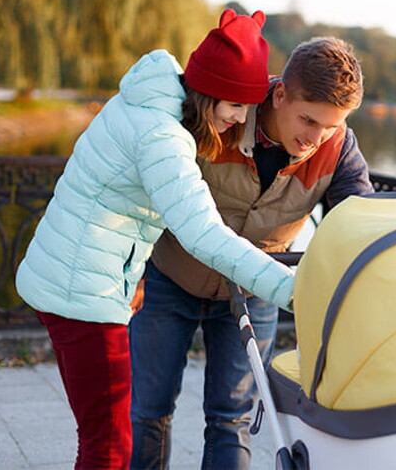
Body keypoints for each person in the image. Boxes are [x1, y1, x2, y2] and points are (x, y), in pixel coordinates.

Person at [14, 9, 294, 469]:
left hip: (71, 279)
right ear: (211, 94)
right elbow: (203, 234)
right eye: (237, 105)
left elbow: (122, 206)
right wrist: (288, 290)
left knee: (103, 435)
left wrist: (134, 274)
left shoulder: (147, 101)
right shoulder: (162, 137)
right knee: (108, 447)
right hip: (84, 296)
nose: (241, 118)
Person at [129, 36, 374, 469]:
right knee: (149, 412)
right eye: (308, 120)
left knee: (231, 419)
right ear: (279, 94)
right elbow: (148, 188)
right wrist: (132, 269)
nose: (317, 138)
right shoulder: (221, 112)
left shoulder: (338, 147)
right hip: (170, 278)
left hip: (257, 287)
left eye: (331, 126)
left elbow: (360, 221)